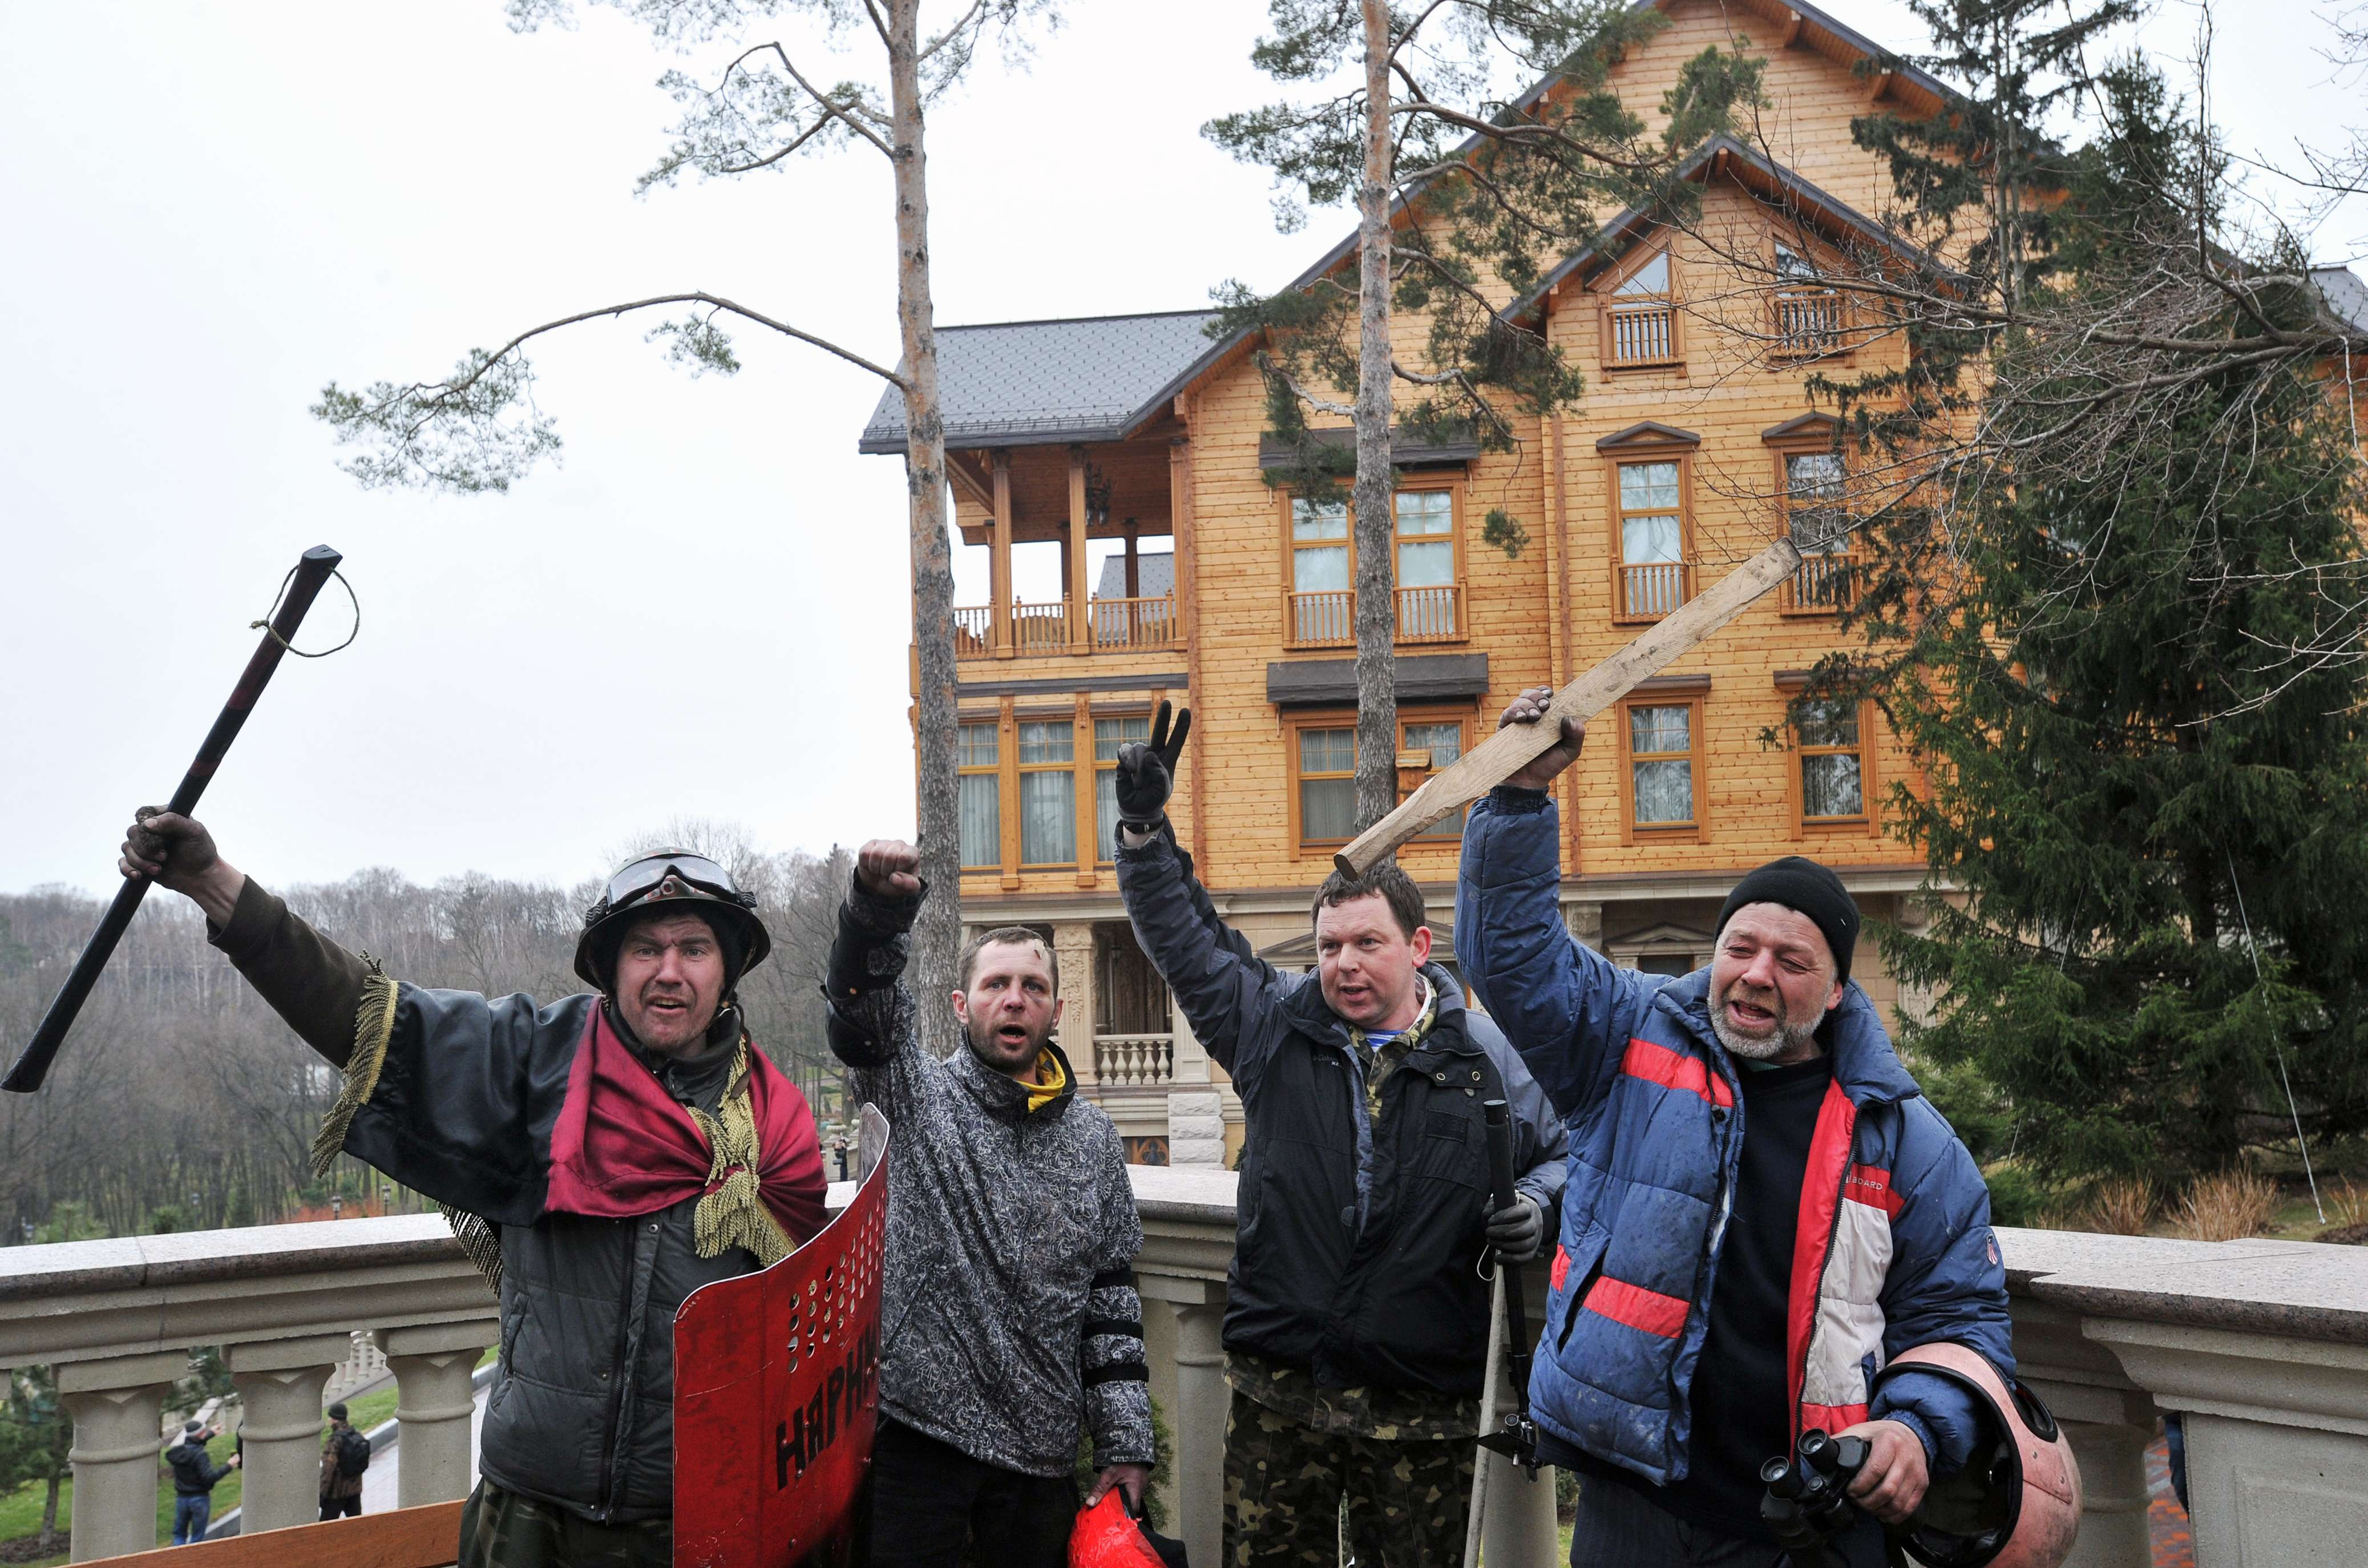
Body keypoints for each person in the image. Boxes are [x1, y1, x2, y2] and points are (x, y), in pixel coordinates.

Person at [120, 813, 827, 1568]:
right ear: (611, 967)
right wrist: (211, 884)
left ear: (725, 970)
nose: (668, 971)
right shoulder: (536, 1062)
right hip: (528, 1513)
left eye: (695, 949)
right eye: (645, 949)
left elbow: (810, 1346)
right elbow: (367, 1015)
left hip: (697, 1523)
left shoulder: (776, 1127)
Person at [1454, 689, 2015, 1567]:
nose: (1754, 976)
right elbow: (1511, 960)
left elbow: (1960, 1318)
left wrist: (1915, 1428)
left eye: (1791, 962)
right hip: (1631, 1501)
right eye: (1738, 948)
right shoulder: (1625, 1036)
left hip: (1804, 1525)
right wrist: (1518, 796)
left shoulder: (1910, 1142)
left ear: (1835, 992)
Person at [1108, 703, 1569, 1567]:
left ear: (1418, 946)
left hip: (1424, 1409)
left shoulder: (1483, 1060)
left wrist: (1539, 1206)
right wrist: (1141, 833)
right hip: (1280, 1393)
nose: (1344, 965)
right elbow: (1185, 943)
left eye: (1366, 943)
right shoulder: (1272, 1028)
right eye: (1327, 947)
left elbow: (1565, 1155)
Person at [824, 839, 1155, 1568]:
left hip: (1039, 1463)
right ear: (961, 1004)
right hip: (917, 1443)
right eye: (997, 984)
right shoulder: (915, 1095)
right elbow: (862, 1017)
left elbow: (1111, 1306)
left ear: (1056, 1010)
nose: (1015, 999)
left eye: (1033, 987)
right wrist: (876, 917)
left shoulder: (1097, 1140)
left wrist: (1126, 1445)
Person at [166, 1419, 237, 1545]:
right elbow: (209, 1478)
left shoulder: (177, 1453)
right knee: (197, 1538)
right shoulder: (200, 1455)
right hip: (199, 1499)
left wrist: (211, 1433)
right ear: (200, 1434)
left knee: (179, 1534)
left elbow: (193, 1445)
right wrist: (229, 1466)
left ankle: (178, 1560)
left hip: (182, 1499)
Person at [320, 1403, 368, 1521]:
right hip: (354, 1491)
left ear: (334, 1420)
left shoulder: (335, 1441)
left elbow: (328, 1469)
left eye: (330, 1417)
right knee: (357, 1526)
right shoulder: (357, 1436)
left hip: (336, 1493)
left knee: (323, 1530)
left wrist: (322, 1494)